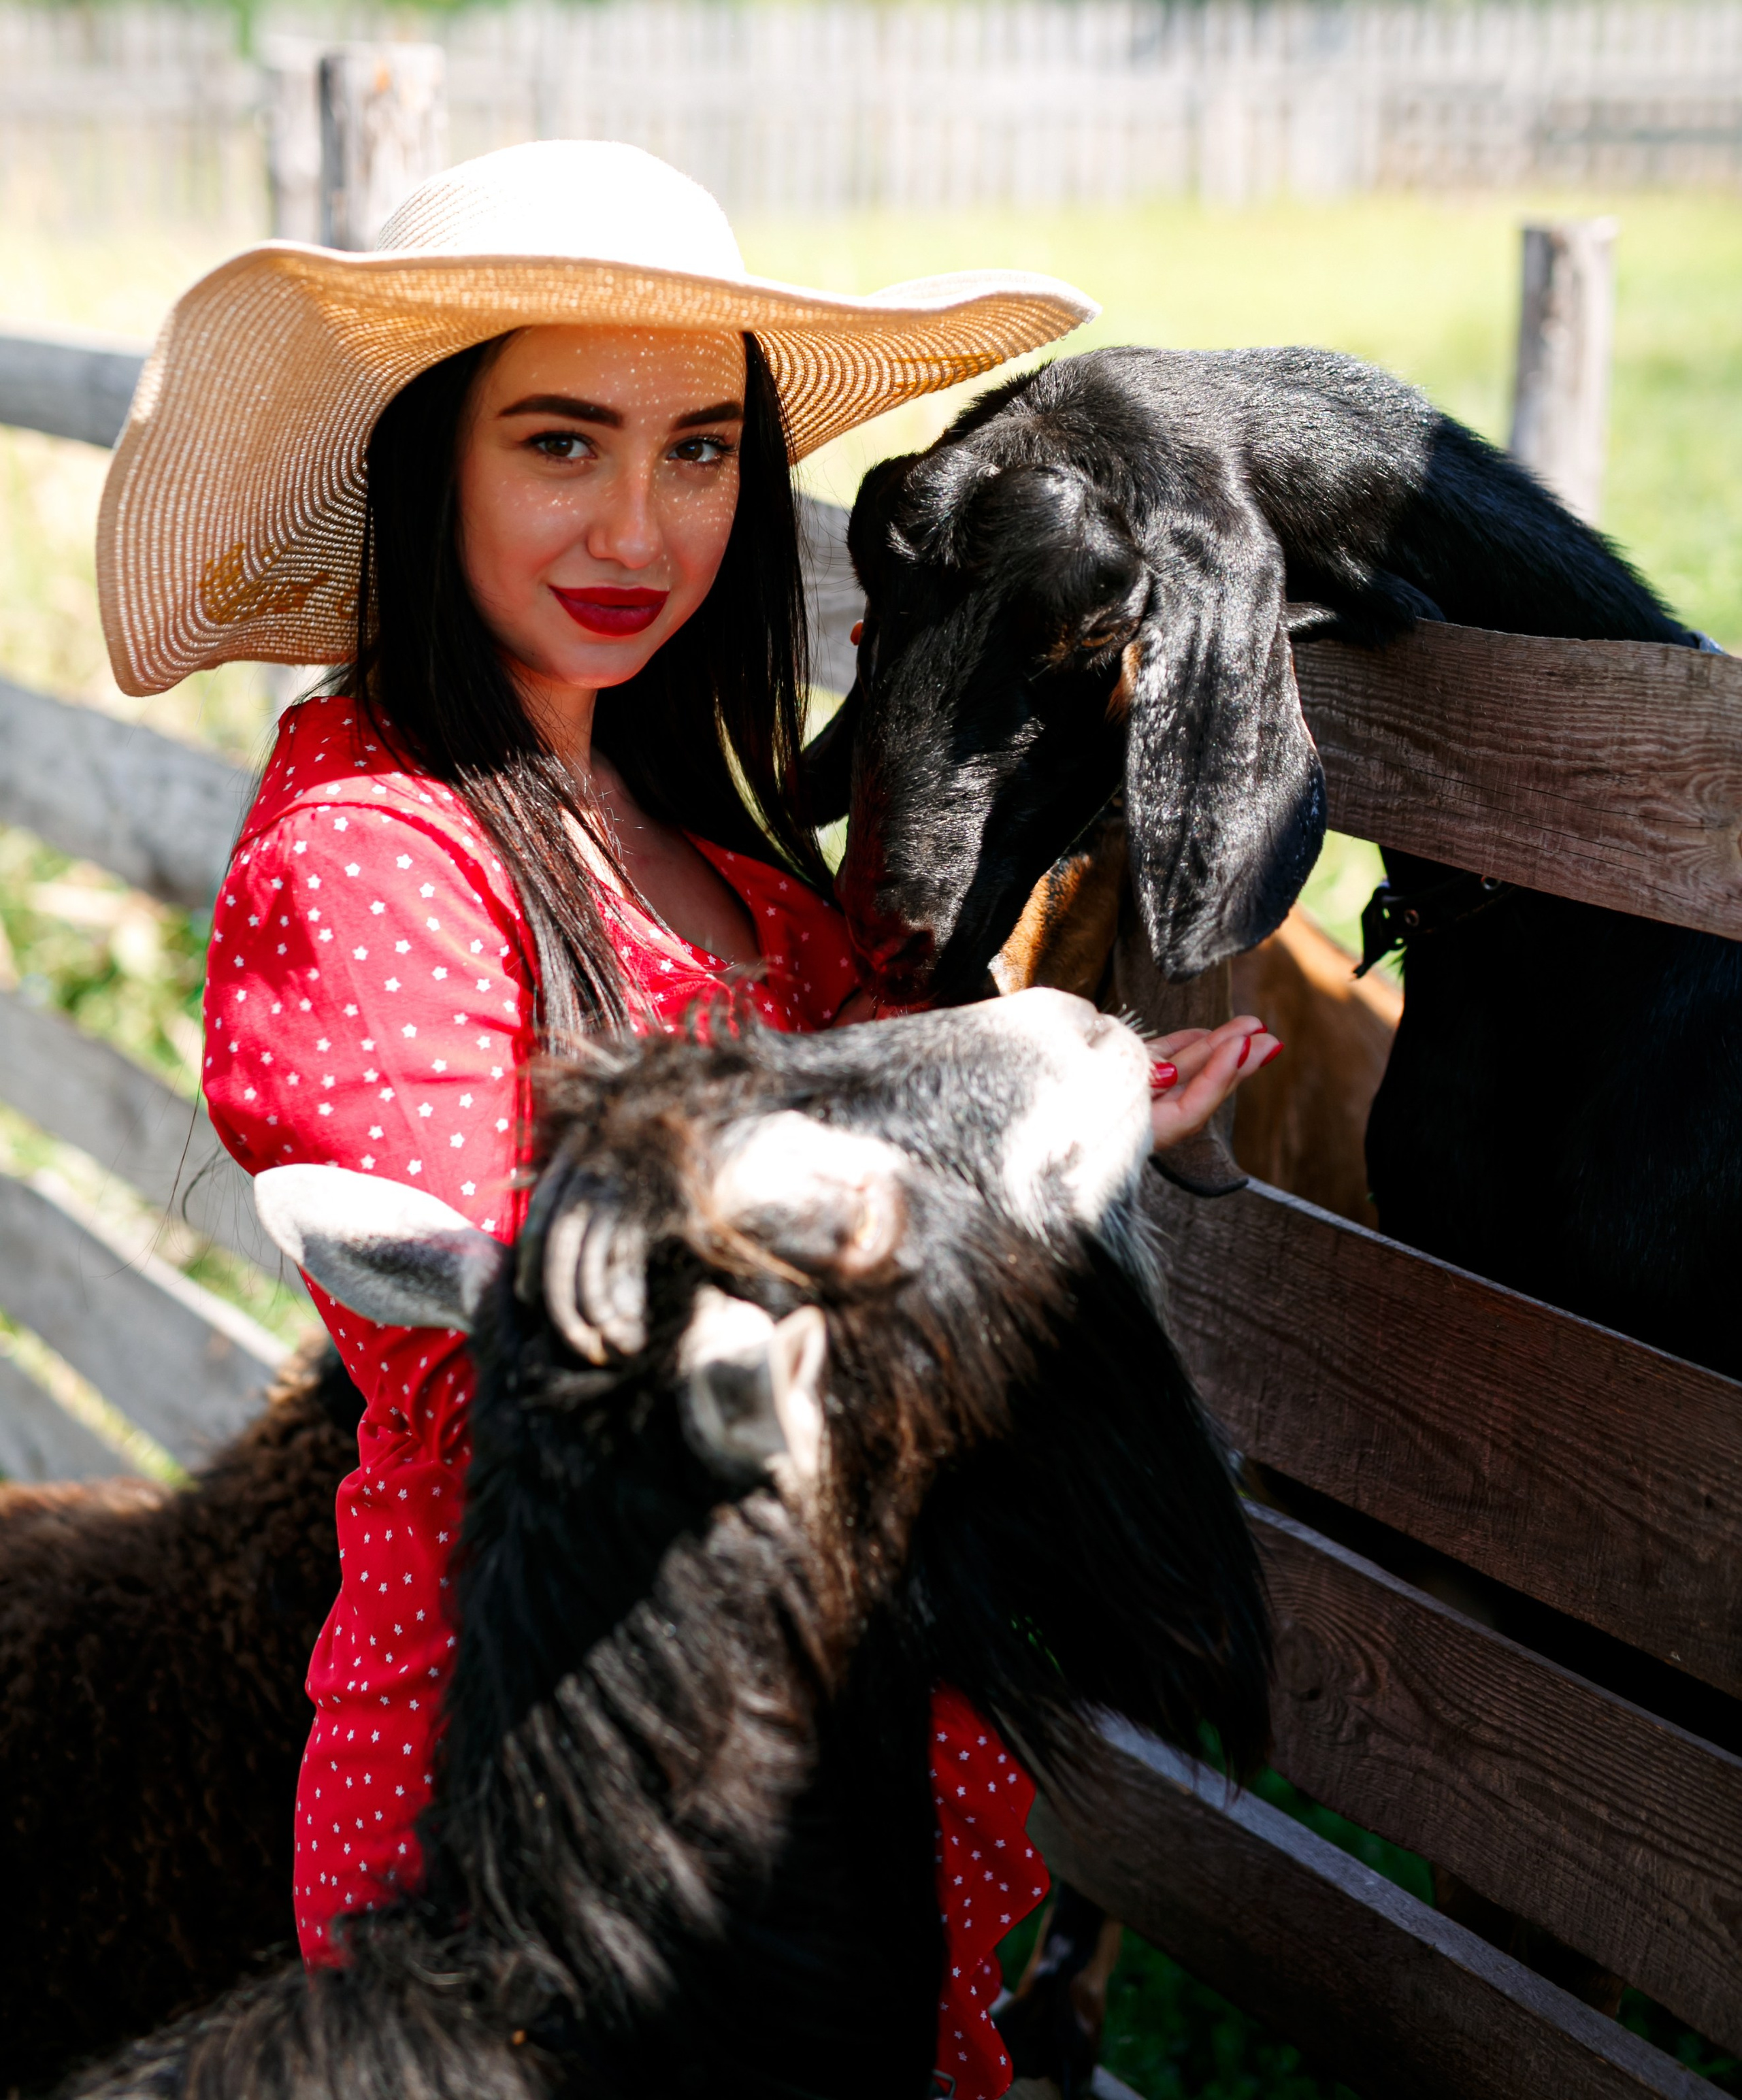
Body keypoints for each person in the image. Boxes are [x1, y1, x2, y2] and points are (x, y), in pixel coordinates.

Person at [97, 139, 1279, 2098]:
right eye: (561, 443)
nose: (639, 526)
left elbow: (869, 1138)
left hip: (824, 1733)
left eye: (701, 450)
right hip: (558, 1770)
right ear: (428, 460)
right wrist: (944, 1159)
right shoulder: (372, 844)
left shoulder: (721, 854)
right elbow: (530, 1334)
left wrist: (1060, 1125)